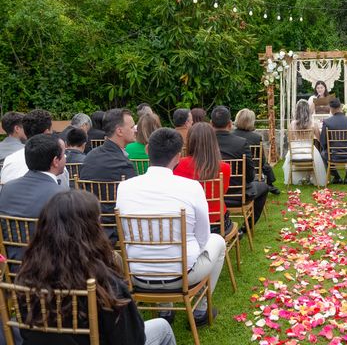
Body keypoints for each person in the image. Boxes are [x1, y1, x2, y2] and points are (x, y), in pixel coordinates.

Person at [17, 189, 176, 345]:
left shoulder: (26, 277)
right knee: (163, 328)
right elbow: (133, 340)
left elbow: (25, 332)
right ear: (91, 231)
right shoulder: (105, 285)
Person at [116, 128, 226, 326]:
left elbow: (124, 233)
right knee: (217, 241)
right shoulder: (191, 188)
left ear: (148, 150)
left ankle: (165, 310)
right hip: (181, 276)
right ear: (178, 156)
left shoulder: (124, 187)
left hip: (137, 275)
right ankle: (201, 309)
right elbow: (203, 235)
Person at [0, 134, 67, 267]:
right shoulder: (62, 197)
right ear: (55, 161)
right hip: (50, 274)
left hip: (13, 269)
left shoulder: (7, 188)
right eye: (64, 154)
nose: (66, 157)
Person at [80, 108, 137, 243]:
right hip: (114, 227)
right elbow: (133, 200)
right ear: (119, 131)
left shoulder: (90, 156)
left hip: (88, 224)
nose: (135, 129)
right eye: (132, 126)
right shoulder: (123, 164)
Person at [211, 106, 269, 228]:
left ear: (211, 123)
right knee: (263, 187)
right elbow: (249, 175)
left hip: (212, 194)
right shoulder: (241, 143)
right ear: (229, 123)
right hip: (237, 195)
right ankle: (246, 227)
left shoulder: (206, 143)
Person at [174, 122, 232, 235]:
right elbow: (223, 192)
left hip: (188, 223)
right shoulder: (224, 168)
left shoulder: (177, 165)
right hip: (216, 223)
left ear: (190, 141)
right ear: (213, 142)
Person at [1, 109, 69, 188]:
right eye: (52, 131)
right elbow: (64, 191)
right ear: (47, 133)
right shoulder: (56, 161)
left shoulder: (9, 159)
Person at [233, 108, 280, 195]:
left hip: (234, 171)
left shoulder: (231, 136)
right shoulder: (256, 138)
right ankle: (270, 184)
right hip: (251, 170)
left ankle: (270, 184)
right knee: (264, 164)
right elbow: (261, 160)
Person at [282, 100, 327, 186]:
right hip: (310, 152)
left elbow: (290, 141)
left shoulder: (292, 124)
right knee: (317, 156)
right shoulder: (313, 124)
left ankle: (299, 178)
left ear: (297, 110)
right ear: (308, 110)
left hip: (295, 152)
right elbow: (320, 139)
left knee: (288, 157)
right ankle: (311, 177)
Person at [320, 98, 347, 184]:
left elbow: (323, 141)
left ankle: (336, 176)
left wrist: (327, 149)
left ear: (331, 108)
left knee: (323, 153)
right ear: (341, 107)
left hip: (333, 155)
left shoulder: (327, 122)